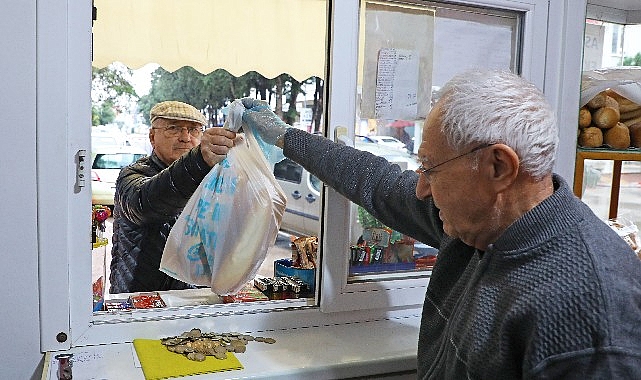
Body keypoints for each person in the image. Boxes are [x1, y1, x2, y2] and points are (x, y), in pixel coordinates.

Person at [241, 69, 641, 379]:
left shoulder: (589, 313)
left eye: (429, 169)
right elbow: (375, 181)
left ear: (498, 167)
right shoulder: (479, 224)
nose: (420, 190)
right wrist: (285, 136)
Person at [110, 100, 237, 293]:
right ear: (152, 136)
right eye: (173, 128)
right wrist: (197, 161)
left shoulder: (208, 177)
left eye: (194, 130)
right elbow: (144, 204)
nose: (185, 137)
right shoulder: (133, 175)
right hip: (142, 299)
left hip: (193, 298)